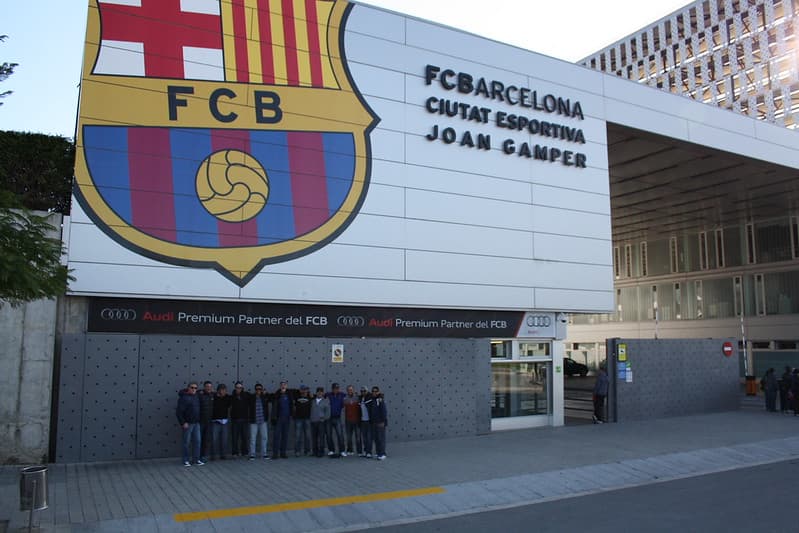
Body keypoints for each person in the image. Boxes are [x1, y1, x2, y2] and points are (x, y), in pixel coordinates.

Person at [176, 381, 203, 466]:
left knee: (198, 441)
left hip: (196, 423)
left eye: (195, 388)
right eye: (192, 387)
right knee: (186, 442)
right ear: (188, 388)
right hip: (188, 424)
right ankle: (185, 460)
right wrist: (183, 422)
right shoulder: (183, 398)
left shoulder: (196, 396)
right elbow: (178, 412)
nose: (194, 389)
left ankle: (196, 459)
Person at [271, 380, 293, 459]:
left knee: (285, 436)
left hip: (287, 419)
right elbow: (274, 407)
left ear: (286, 386)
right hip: (278, 419)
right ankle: (275, 454)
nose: (283, 386)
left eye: (285, 385)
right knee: (276, 436)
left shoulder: (289, 394)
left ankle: (283, 453)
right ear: (280, 386)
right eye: (282, 385)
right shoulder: (276, 395)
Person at [248, 383, 270, 459]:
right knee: (252, 438)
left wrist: (265, 393)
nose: (258, 390)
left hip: (263, 421)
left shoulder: (264, 397)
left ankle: (264, 454)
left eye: (260, 389)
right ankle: (252, 454)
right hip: (254, 421)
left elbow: (273, 397)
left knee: (264, 437)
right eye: (257, 389)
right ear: (255, 390)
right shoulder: (251, 397)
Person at [210, 383, 231, 460]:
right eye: (222, 390)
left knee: (224, 440)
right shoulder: (213, 397)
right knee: (214, 440)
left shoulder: (227, 397)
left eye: (224, 390)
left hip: (224, 422)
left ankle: (223, 455)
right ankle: (213, 456)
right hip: (215, 422)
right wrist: (214, 393)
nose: (223, 391)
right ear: (218, 390)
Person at [230, 381, 250, 458]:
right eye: (237, 387)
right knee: (235, 438)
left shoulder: (246, 395)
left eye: (240, 387)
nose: (239, 389)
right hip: (235, 420)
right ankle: (234, 453)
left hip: (244, 420)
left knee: (244, 437)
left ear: (242, 388)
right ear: (235, 388)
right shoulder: (232, 396)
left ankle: (244, 452)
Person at [326, 382, 346, 457]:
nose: (336, 390)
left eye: (337, 388)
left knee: (340, 435)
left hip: (337, 418)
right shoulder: (327, 395)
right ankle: (331, 450)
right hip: (328, 418)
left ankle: (342, 450)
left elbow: (351, 396)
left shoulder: (342, 395)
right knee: (328, 435)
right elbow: (319, 397)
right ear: (332, 389)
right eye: (334, 388)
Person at [368, 386, 387, 460]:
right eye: (373, 391)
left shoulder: (380, 399)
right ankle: (378, 452)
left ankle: (382, 453)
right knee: (376, 439)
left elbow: (384, 411)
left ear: (378, 392)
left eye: (376, 391)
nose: (374, 392)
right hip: (374, 422)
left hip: (380, 423)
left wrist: (383, 421)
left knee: (381, 438)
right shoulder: (372, 400)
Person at [310, 386, 330, 457]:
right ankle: (314, 451)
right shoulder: (312, 401)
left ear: (323, 393)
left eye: (321, 392)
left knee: (321, 437)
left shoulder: (326, 401)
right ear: (316, 393)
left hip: (321, 422)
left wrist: (323, 419)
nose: (319, 393)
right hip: (313, 422)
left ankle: (321, 452)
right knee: (314, 438)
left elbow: (328, 413)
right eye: (318, 391)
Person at [293, 385, 312, 456]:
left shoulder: (310, 397)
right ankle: (297, 451)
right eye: (303, 389)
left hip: (307, 419)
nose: (304, 391)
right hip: (298, 419)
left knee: (308, 436)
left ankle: (307, 451)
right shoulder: (296, 396)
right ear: (300, 390)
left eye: (306, 390)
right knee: (298, 436)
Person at [198, 381, 214, 463]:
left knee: (205, 440)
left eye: (210, 386)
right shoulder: (199, 394)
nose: (209, 388)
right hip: (200, 422)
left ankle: (203, 456)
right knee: (198, 440)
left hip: (209, 422)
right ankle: (197, 457)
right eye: (207, 386)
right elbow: (184, 392)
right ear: (204, 387)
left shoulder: (212, 395)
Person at [343, 384, 361, 456]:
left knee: (358, 437)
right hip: (348, 421)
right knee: (349, 437)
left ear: (353, 390)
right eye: (348, 390)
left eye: (351, 389)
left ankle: (359, 451)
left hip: (356, 421)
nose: (350, 391)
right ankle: (350, 450)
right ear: (347, 391)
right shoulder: (344, 399)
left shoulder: (357, 398)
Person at [358, 387, 372, 457]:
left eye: (364, 391)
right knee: (364, 437)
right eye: (362, 391)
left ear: (367, 391)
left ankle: (369, 452)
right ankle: (365, 450)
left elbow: (378, 396)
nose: (363, 392)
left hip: (369, 421)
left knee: (369, 437)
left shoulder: (370, 398)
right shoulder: (360, 398)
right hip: (362, 421)